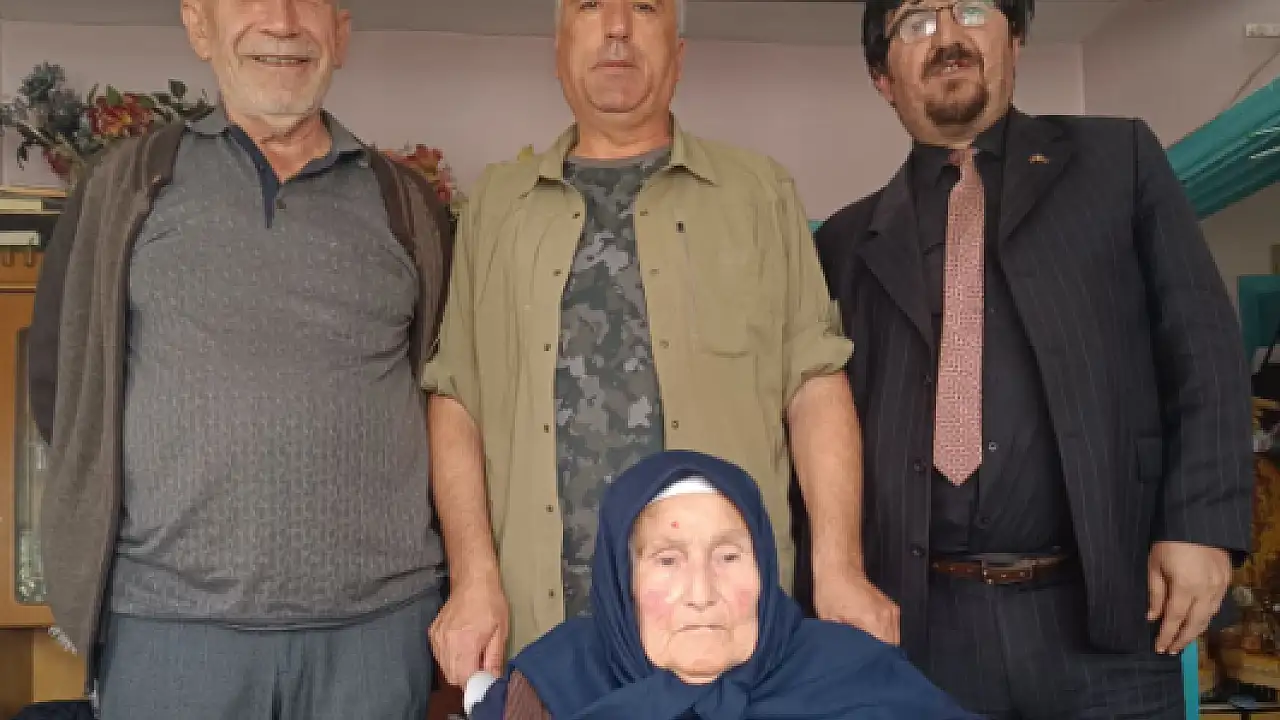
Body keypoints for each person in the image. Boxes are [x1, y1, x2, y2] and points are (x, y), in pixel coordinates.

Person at [422, 0, 898, 689]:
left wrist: (840, 568)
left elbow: (814, 385)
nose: (617, 26)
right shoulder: (497, 206)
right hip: (544, 635)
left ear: (678, 54)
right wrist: (471, 578)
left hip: (726, 635)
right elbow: (457, 398)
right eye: (591, 5)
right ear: (558, 50)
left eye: (644, 6)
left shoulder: (757, 193)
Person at [812, 0, 1254, 717]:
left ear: (1014, 40)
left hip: (1105, 615)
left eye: (971, 10)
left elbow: (1201, 346)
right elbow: (821, 419)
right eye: (915, 23)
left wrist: (1202, 523)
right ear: (882, 78)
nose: (948, 36)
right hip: (919, 633)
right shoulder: (843, 241)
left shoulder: (1118, 163)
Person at [28, 1, 453, 718]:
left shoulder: (407, 205)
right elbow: (60, 386)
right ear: (200, 26)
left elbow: (450, 399)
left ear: (341, 32)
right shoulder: (126, 185)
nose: (282, 22)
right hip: (168, 631)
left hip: (375, 637)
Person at [469, 450, 979, 720]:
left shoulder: (856, 678)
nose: (701, 593)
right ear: (623, 584)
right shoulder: (553, 688)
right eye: (668, 561)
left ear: (765, 571)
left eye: (728, 557)